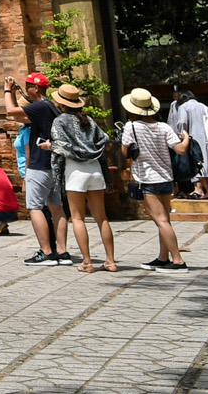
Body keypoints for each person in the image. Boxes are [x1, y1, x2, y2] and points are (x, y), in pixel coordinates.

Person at [119, 87, 191, 271]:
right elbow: (180, 150)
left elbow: (125, 152)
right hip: (166, 178)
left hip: (147, 179)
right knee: (165, 219)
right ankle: (163, 257)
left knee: (160, 220)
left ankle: (178, 261)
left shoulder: (131, 126)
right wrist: (186, 139)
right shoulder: (164, 127)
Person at [4, 71, 70, 265]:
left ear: (36, 88)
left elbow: (11, 112)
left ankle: (47, 252)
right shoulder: (51, 106)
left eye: (28, 86)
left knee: (34, 207)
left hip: (39, 164)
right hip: (54, 166)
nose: (26, 88)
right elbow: (22, 117)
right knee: (56, 206)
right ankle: (62, 252)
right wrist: (17, 92)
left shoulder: (41, 106)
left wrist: (7, 90)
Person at [48, 84, 116, 273]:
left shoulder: (59, 121)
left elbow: (60, 146)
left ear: (61, 102)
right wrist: (89, 150)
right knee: (101, 217)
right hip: (95, 169)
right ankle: (110, 261)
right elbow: (105, 140)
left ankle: (87, 261)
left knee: (77, 218)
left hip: (75, 171)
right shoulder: (89, 120)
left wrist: (50, 146)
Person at [170, 90, 208, 199]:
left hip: (194, 140)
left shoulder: (183, 107)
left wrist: (182, 138)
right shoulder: (204, 106)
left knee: (197, 165)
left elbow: (182, 123)